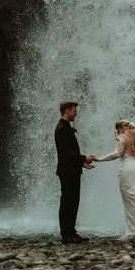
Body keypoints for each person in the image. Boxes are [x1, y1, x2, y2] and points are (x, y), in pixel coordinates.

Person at [55, 100, 95, 244]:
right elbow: (65, 153)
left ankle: (71, 232)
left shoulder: (64, 128)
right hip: (67, 172)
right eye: (74, 110)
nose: (76, 113)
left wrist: (82, 163)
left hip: (71, 170)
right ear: (66, 110)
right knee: (68, 202)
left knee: (73, 201)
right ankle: (66, 234)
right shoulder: (62, 129)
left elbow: (69, 154)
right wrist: (84, 157)